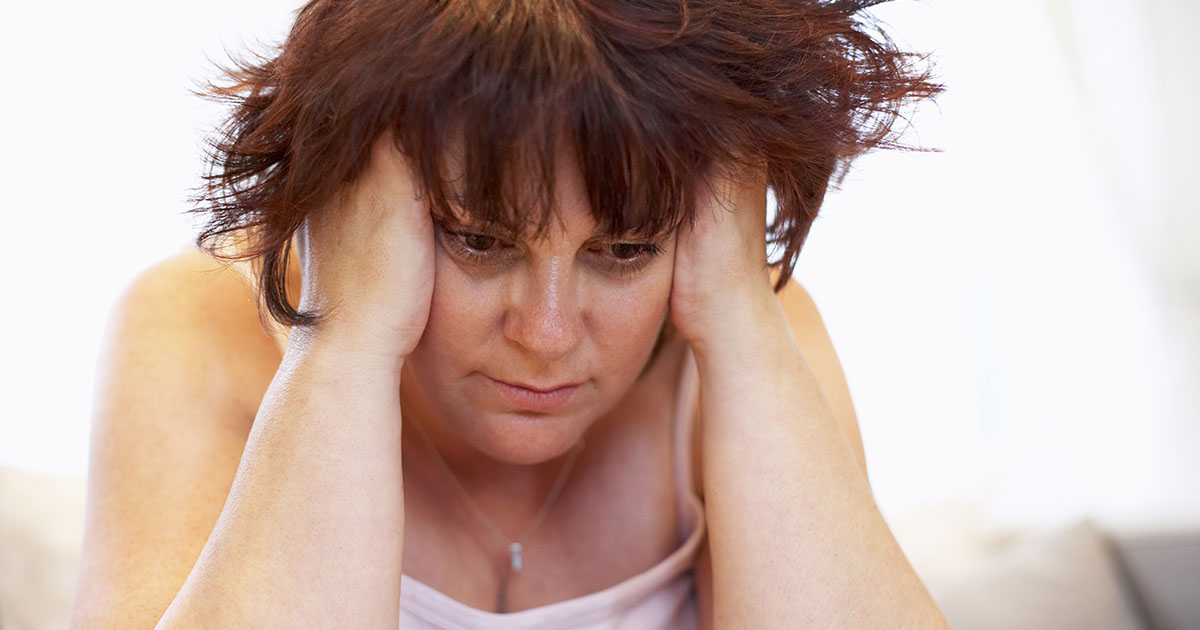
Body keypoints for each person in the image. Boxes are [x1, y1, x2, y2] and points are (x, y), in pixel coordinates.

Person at [71, 0, 946, 627]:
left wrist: (741, 315)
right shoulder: (198, 328)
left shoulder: (745, 335)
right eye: (480, 241)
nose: (547, 335)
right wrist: (342, 342)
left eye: (624, 250)